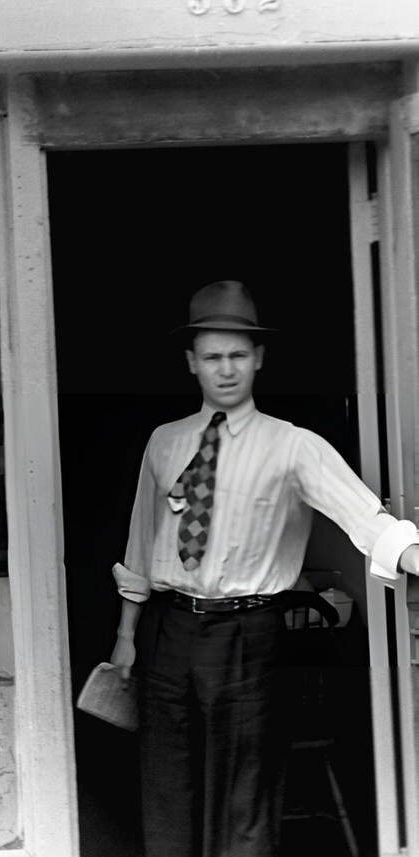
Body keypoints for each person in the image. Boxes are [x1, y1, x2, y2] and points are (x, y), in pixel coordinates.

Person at [109, 279, 419, 857]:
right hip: (168, 631)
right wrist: (126, 638)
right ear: (191, 364)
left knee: (247, 790)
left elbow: (363, 515)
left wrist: (412, 554)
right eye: (212, 357)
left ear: (258, 360)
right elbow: (140, 542)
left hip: (250, 634)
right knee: (166, 783)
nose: (225, 369)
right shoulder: (165, 443)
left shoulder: (294, 446)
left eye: (237, 356)